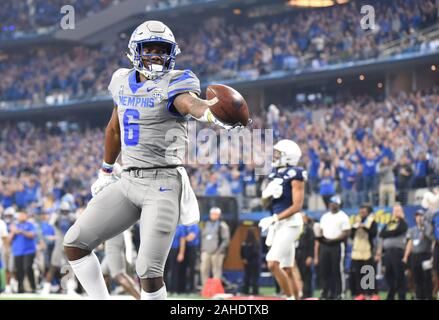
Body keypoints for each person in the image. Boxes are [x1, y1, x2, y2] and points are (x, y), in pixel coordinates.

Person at [63, 20, 244, 300]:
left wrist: (209, 112)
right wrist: (106, 170)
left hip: (163, 182)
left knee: (147, 270)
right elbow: (114, 128)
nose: (157, 55)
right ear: (136, 51)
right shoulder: (121, 80)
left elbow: (189, 104)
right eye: (150, 49)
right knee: (75, 243)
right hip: (128, 180)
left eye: (163, 50)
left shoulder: (179, 81)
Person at [259, 139, 306, 300]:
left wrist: (274, 218)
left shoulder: (296, 173)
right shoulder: (274, 173)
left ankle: (289, 297)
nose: (274, 156)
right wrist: (266, 195)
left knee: (272, 263)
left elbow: (297, 205)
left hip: (291, 223)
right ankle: (296, 296)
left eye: (278, 153)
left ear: (288, 156)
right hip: (279, 223)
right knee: (287, 268)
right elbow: (266, 203)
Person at [314, 195, 351, 299]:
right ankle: (325, 292)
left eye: (334, 203)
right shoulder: (325, 216)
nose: (332, 205)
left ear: (338, 204)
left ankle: (340, 293)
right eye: (331, 203)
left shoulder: (343, 216)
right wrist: (321, 237)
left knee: (337, 270)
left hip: (337, 245)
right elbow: (321, 230)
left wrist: (333, 240)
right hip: (325, 244)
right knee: (325, 270)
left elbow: (346, 232)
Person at [375, 203, 408, 300]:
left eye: (398, 210)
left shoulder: (403, 222)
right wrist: (389, 233)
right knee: (388, 275)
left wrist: (388, 234)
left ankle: (402, 297)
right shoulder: (390, 223)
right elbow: (381, 233)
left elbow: (398, 231)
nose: (396, 213)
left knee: (399, 276)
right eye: (395, 210)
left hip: (397, 252)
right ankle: (391, 295)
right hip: (388, 253)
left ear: (401, 212)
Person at [349, 205, 379, 300]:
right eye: (360, 210)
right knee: (357, 273)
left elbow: (373, 234)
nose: (361, 212)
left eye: (363, 211)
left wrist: (364, 227)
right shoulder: (356, 220)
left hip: (367, 251)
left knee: (368, 272)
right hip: (356, 252)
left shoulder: (371, 221)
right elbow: (351, 236)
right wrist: (355, 228)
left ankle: (370, 293)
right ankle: (359, 293)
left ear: (368, 212)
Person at [403, 208, 433, 300]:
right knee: (416, 277)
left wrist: (423, 229)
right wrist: (406, 256)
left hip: (425, 255)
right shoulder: (412, 230)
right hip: (415, 256)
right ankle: (419, 296)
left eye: (420, 215)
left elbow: (430, 239)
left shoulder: (429, 227)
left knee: (427, 277)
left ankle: (428, 296)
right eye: (417, 216)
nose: (419, 218)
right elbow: (409, 243)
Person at [101, 230, 141, 300]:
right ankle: (101, 298)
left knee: (119, 275)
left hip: (113, 237)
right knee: (102, 274)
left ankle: (140, 298)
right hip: (111, 239)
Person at [200, 207, 230, 287]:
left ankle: (215, 289)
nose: (214, 216)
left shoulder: (222, 225)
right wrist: (202, 249)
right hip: (206, 251)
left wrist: (219, 250)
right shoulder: (206, 224)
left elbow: (226, 239)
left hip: (217, 252)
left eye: (216, 214)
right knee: (204, 270)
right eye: (212, 214)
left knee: (216, 271)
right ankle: (205, 288)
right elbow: (202, 237)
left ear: (219, 215)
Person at [9, 211, 37, 293]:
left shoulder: (30, 224)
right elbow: (9, 240)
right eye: (19, 215)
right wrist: (13, 231)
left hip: (29, 251)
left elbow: (32, 235)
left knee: (27, 267)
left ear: (26, 216)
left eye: (22, 215)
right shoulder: (15, 226)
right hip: (17, 251)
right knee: (19, 270)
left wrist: (21, 231)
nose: (21, 216)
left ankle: (33, 287)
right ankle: (20, 288)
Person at [295, 212, 314, 299]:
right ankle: (300, 292)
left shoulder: (309, 229)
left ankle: (307, 293)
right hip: (298, 253)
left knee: (306, 274)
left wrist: (310, 256)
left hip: (306, 253)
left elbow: (311, 244)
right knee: (298, 274)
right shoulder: (297, 228)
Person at [164, 224, 186, 294]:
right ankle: (165, 289)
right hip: (165, 250)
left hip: (175, 250)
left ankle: (174, 290)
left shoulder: (180, 227)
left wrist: (181, 253)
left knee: (174, 271)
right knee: (164, 271)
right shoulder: (165, 225)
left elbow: (182, 241)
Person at [240, 227, 261, 296]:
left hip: (250, 262)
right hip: (253, 263)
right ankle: (252, 291)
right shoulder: (254, 242)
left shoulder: (245, 242)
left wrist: (245, 259)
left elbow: (242, 252)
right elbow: (256, 253)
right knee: (251, 277)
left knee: (249, 277)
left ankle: (248, 291)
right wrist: (244, 259)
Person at [182, 223, 200, 293]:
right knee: (183, 269)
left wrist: (182, 238)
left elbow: (190, 237)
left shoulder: (194, 226)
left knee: (192, 269)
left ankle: (192, 288)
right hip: (184, 248)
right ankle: (183, 288)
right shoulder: (183, 226)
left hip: (192, 249)